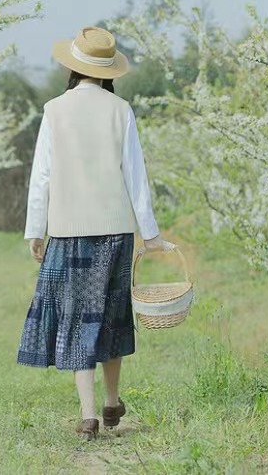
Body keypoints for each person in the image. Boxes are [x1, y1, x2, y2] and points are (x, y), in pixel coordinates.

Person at [16, 26, 175, 441]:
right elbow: (135, 177)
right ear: (108, 72)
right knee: (111, 316)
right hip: (115, 230)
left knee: (76, 317)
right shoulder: (120, 110)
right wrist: (152, 234)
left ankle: (88, 415)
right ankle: (111, 401)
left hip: (68, 231)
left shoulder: (54, 110)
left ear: (72, 67)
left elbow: (42, 177)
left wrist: (36, 228)